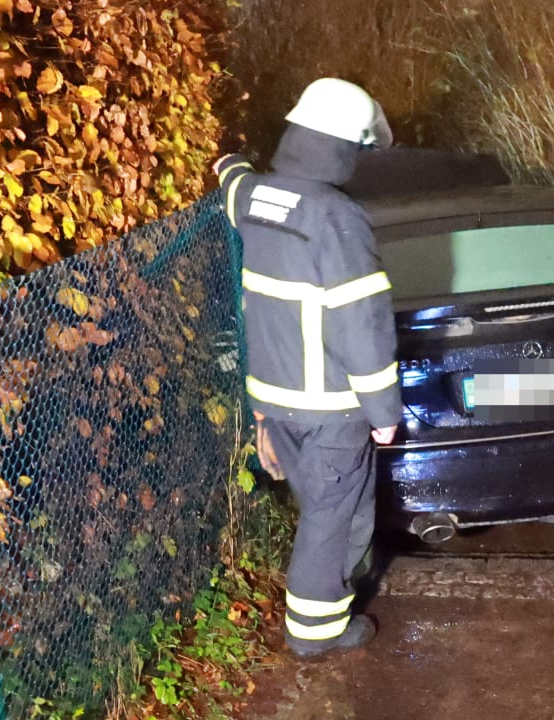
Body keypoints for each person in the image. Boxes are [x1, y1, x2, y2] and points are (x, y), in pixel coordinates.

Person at [214, 78, 400, 658]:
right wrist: (383, 411)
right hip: (331, 407)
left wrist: (227, 161)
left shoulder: (256, 198)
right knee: (330, 516)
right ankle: (314, 631)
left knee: (337, 507)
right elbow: (362, 321)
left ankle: (332, 599)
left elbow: (232, 183)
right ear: (344, 147)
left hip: (274, 399)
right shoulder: (336, 216)